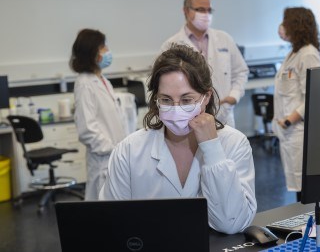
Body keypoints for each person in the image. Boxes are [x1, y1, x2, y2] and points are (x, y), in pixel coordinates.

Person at [99, 44, 257, 234]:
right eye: (166, 100)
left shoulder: (234, 143)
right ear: (156, 100)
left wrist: (212, 150)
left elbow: (231, 223)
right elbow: (111, 223)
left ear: (206, 97)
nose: (176, 109)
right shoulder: (129, 150)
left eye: (186, 100)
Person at [160, 0, 249, 128]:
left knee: (226, 147)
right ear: (186, 11)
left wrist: (234, 96)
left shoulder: (224, 38)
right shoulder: (171, 44)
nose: (206, 14)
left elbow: (241, 71)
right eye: (200, 9)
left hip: (223, 113)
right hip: (187, 117)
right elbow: (163, 82)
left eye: (209, 10)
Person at [272, 7, 320, 202]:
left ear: (297, 25)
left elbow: (313, 95)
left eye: (285, 21)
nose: (281, 27)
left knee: (304, 189)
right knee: (297, 186)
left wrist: (288, 121)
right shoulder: (294, 53)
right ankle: (301, 224)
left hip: (297, 130)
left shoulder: (308, 54)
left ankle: (307, 226)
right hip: (289, 132)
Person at [70, 29, 127, 200]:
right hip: (103, 160)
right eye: (103, 47)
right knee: (102, 214)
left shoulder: (102, 81)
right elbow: (87, 130)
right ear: (91, 52)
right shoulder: (85, 84)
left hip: (114, 157)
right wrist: (112, 148)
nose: (107, 50)